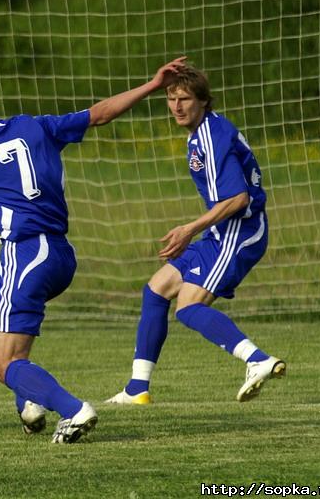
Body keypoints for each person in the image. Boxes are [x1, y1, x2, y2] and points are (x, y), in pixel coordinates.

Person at [0, 57, 187, 444]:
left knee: (5, 364)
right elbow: (100, 114)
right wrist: (152, 85)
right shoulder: (32, 125)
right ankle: (29, 405)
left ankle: (73, 410)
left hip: (26, 253)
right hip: (60, 256)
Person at [106, 64, 285, 406]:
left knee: (188, 307)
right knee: (156, 290)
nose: (176, 106)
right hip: (221, 232)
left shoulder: (211, 138)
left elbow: (238, 198)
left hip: (239, 233)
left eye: (184, 98)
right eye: (171, 99)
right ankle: (136, 389)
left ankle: (258, 359)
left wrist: (189, 229)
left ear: (203, 101)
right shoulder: (202, 132)